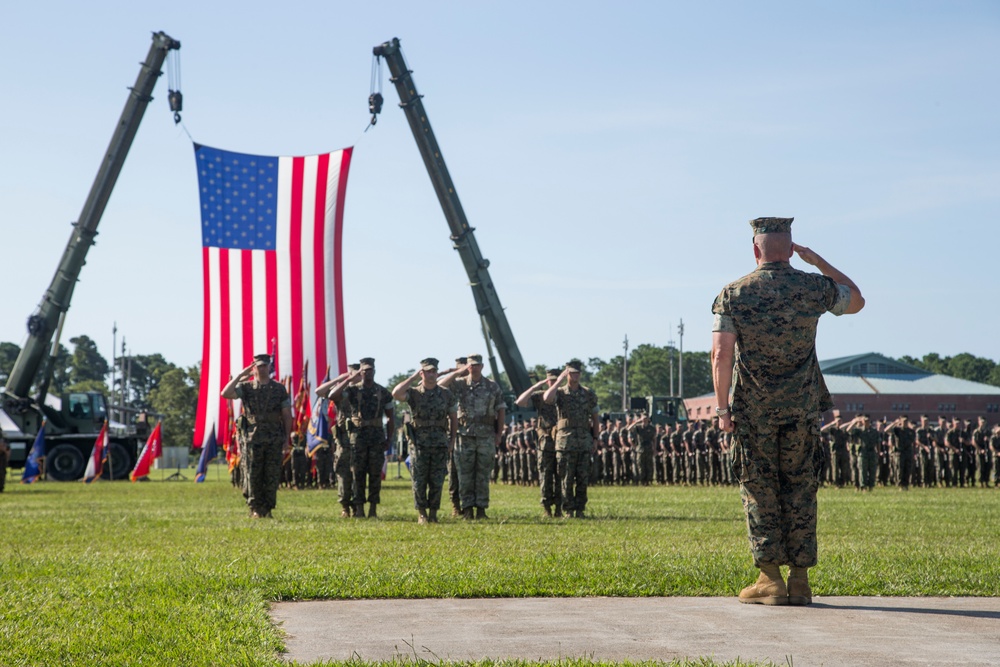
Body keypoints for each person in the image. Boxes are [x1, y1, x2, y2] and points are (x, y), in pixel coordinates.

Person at [711, 216, 864, 606]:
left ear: (756, 249)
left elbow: (721, 354)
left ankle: (769, 579)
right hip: (802, 409)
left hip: (753, 410)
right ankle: (799, 581)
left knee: (760, 490)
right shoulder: (812, 288)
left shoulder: (735, 293)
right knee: (800, 487)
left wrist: (722, 409)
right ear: (792, 247)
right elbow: (857, 299)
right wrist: (819, 262)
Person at [221, 354, 294, 518]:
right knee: (252, 473)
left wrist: (286, 438)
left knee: (271, 473)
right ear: (254, 368)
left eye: (264, 366)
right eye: (258, 366)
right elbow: (225, 393)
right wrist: (240, 375)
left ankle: (267, 508)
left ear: (269, 367)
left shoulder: (279, 389)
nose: (262, 369)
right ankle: (255, 508)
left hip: (274, 436)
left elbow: (286, 414)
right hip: (252, 438)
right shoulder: (246, 387)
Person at [325, 358, 395, 518]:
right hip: (357, 438)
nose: (367, 373)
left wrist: (389, 438)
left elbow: (391, 417)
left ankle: (373, 508)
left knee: (375, 474)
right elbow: (332, 395)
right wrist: (348, 379)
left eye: (370, 370)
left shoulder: (383, 392)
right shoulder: (352, 390)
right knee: (358, 474)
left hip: (377, 438)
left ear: (375, 371)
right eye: (364, 370)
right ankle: (359, 508)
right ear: (360, 372)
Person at [392, 358, 457, 524]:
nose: (431, 374)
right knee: (419, 480)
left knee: (437, 480)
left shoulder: (446, 393)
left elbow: (453, 418)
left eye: (434, 371)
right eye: (427, 371)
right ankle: (422, 513)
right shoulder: (414, 393)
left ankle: (433, 512)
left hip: (440, 442)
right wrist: (413, 377)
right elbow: (396, 393)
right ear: (422, 373)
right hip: (419, 444)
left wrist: (452, 441)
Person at [440, 354, 505, 519]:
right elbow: (440, 386)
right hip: (464, 435)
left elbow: (501, 409)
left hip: (486, 435)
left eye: (477, 365)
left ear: (482, 366)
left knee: (483, 474)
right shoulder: (459, 385)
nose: (474, 368)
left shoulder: (492, 386)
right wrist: (456, 372)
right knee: (464, 474)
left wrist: (499, 433)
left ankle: (481, 509)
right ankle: (467, 508)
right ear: (467, 367)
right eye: (471, 365)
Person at [544, 360, 600, 518]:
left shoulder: (588, 393)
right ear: (567, 373)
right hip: (565, 441)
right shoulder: (560, 393)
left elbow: (595, 418)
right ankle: (568, 509)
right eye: (572, 372)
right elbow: (547, 398)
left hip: (583, 440)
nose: (575, 376)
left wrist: (595, 438)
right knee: (566, 478)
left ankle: (580, 509)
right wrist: (558, 381)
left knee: (583, 477)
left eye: (577, 373)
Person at [516, 368, 562, 516]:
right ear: (546, 381)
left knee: (561, 476)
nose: (553, 383)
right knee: (546, 475)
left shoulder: (564, 396)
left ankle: (560, 508)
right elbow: (520, 402)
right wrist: (536, 386)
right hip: (546, 442)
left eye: (556, 380)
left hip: (562, 440)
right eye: (551, 380)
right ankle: (547, 508)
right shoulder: (540, 396)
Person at [317, 366, 359, 516]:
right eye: (353, 373)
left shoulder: (364, 391)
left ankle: (357, 506)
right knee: (343, 473)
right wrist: (341, 379)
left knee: (358, 474)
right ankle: (345, 507)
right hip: (344, 441)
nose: (355, 376)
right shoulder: (341, 392)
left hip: (360, 440)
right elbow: (320, 392)